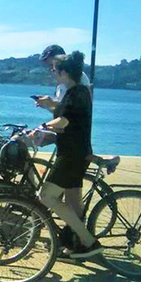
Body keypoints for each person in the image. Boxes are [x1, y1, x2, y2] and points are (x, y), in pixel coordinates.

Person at [36, 52, 103, 259]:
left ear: (64, 72)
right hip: (75, 152)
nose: (53, 73)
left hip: (71, 155)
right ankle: (76, 240)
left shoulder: (76, 94)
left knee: (46, 196)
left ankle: (88, 241)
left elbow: (64, 122)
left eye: (55, 69)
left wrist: (41, 127)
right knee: (73, 200)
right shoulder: (76, 92)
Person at [35, 45, 91, 113]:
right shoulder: (61, 82)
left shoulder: (79, 78)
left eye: (52, 65)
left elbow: (76, 109)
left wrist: (51, 103)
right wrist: (47, 105)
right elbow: (61, 112)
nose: (51, 69)